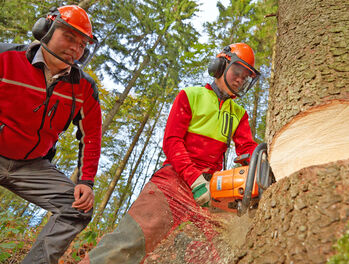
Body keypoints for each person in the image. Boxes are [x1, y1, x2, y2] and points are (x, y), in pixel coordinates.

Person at [83, 43, 260, 263]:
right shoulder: (191, 95)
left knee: (223, 248)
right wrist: (194, 180)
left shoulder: (238, 114)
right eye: (237, 72)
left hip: (211, 188)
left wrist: (259, 167)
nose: (240, 80)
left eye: (246, 77)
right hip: (172, 182)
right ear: (220, 66)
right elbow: (172, 142)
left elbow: (247, 149)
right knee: (127, 244)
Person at [0, 5, 102, 264]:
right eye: (69, 37)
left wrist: (86, 182)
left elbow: (91, 136)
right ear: (45, 30)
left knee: (77, 208)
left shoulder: (84, 88)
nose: (75, 48)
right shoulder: (6, 57)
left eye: (82, 45)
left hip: (32, 165)